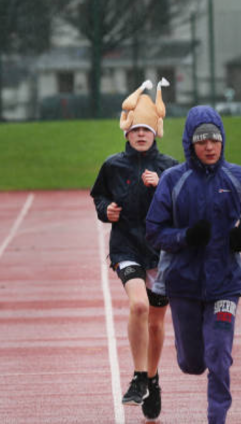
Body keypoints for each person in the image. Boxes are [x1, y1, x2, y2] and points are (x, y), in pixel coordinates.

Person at [145, 105, 241, 424]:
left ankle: (217, 418)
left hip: (225, 283)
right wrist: (185, 236)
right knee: (193, 363)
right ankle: (187, 351)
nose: (209, 147)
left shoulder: (240, 178)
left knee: (219, 355)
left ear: (222, 140)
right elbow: (154, 231)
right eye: (202, 141)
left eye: (215, 140)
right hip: (183, 284)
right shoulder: (173, 180)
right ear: (190, 143)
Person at [90, 79, 178, 421]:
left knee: (156, 323)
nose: (141, 135)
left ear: (156, 133)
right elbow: (100, 196)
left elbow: (183, 205)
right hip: (126, 246)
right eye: (136, 130)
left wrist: (163, 186)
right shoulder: (113, 165)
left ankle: (152, 380)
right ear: (126, 133)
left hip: (161, 252)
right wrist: (106, 210)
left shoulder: (170, 167)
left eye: (147, 130)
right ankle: (139, 377)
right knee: (138, 305)